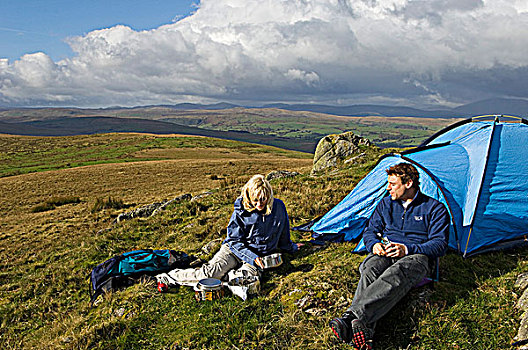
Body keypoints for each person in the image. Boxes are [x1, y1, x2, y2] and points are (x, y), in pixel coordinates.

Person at [329, 163, 449, 349]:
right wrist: (374, 244)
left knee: (397, 271)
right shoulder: (386, 204)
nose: (387, 188)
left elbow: (439, 244)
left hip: (417, 257)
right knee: (369, 267)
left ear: (408, 183)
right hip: (387, 251)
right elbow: (370, 231)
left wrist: (407, 249)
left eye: (393, 184)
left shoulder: (435, 209)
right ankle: (364, 332)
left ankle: (352, 317)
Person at [156, 174, 300, 290]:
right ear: (249, 196)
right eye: (255, 200)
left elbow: (283, 234)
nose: (259, 204)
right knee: (209, 274)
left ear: (269, 195)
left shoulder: (279, 207)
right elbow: (234, 241)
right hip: (234, 251)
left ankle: (228, 275)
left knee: (247, 284)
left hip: (259, 256)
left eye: (263, 199)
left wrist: (292, 248)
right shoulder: (240, 212)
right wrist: (252, 257)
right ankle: (170, 277)